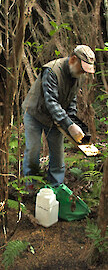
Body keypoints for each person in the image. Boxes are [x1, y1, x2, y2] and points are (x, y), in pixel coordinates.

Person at [22, 45, 95, 187]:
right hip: (35, 113)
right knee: (33, 150)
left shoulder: (78, 75)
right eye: (82, 68)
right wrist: (69, 124)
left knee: (58, 154)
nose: (82, 72)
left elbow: (71, 98)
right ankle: (30, 188)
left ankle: (55, 188)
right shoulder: (52, 70)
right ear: (73, 59)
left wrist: (72, 119)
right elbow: (51, 102)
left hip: (56, 118)